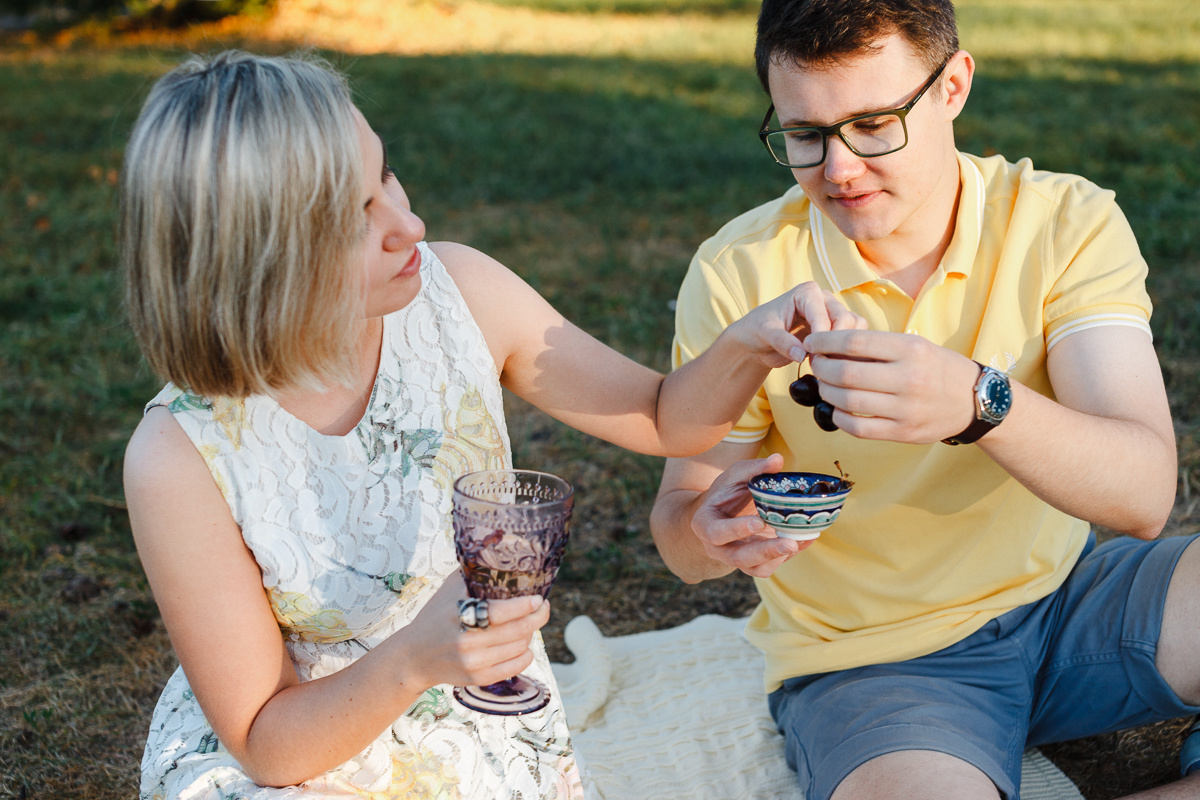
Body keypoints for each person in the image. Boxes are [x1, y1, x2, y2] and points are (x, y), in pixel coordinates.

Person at [120, 50, 856, 800]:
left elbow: (665, 418)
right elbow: (265, 745)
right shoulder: (181, 457)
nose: (408, 223)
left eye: (385, 175)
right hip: (299, 752)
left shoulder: (460, 294)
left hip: (477, 722)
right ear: (254, 261)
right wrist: (415, 659)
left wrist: (746, 343)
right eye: (353, 218)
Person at [649, 1, 1200, 799]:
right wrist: (709, 535)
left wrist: (981, 404)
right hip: (871, 662)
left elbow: (1144, 495)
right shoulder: (742, 272)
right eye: (804, 134)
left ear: (953, 87)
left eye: (874, 125)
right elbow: (680, 525)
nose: (837, 169)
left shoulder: (1062, 220)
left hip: (1067, 600)